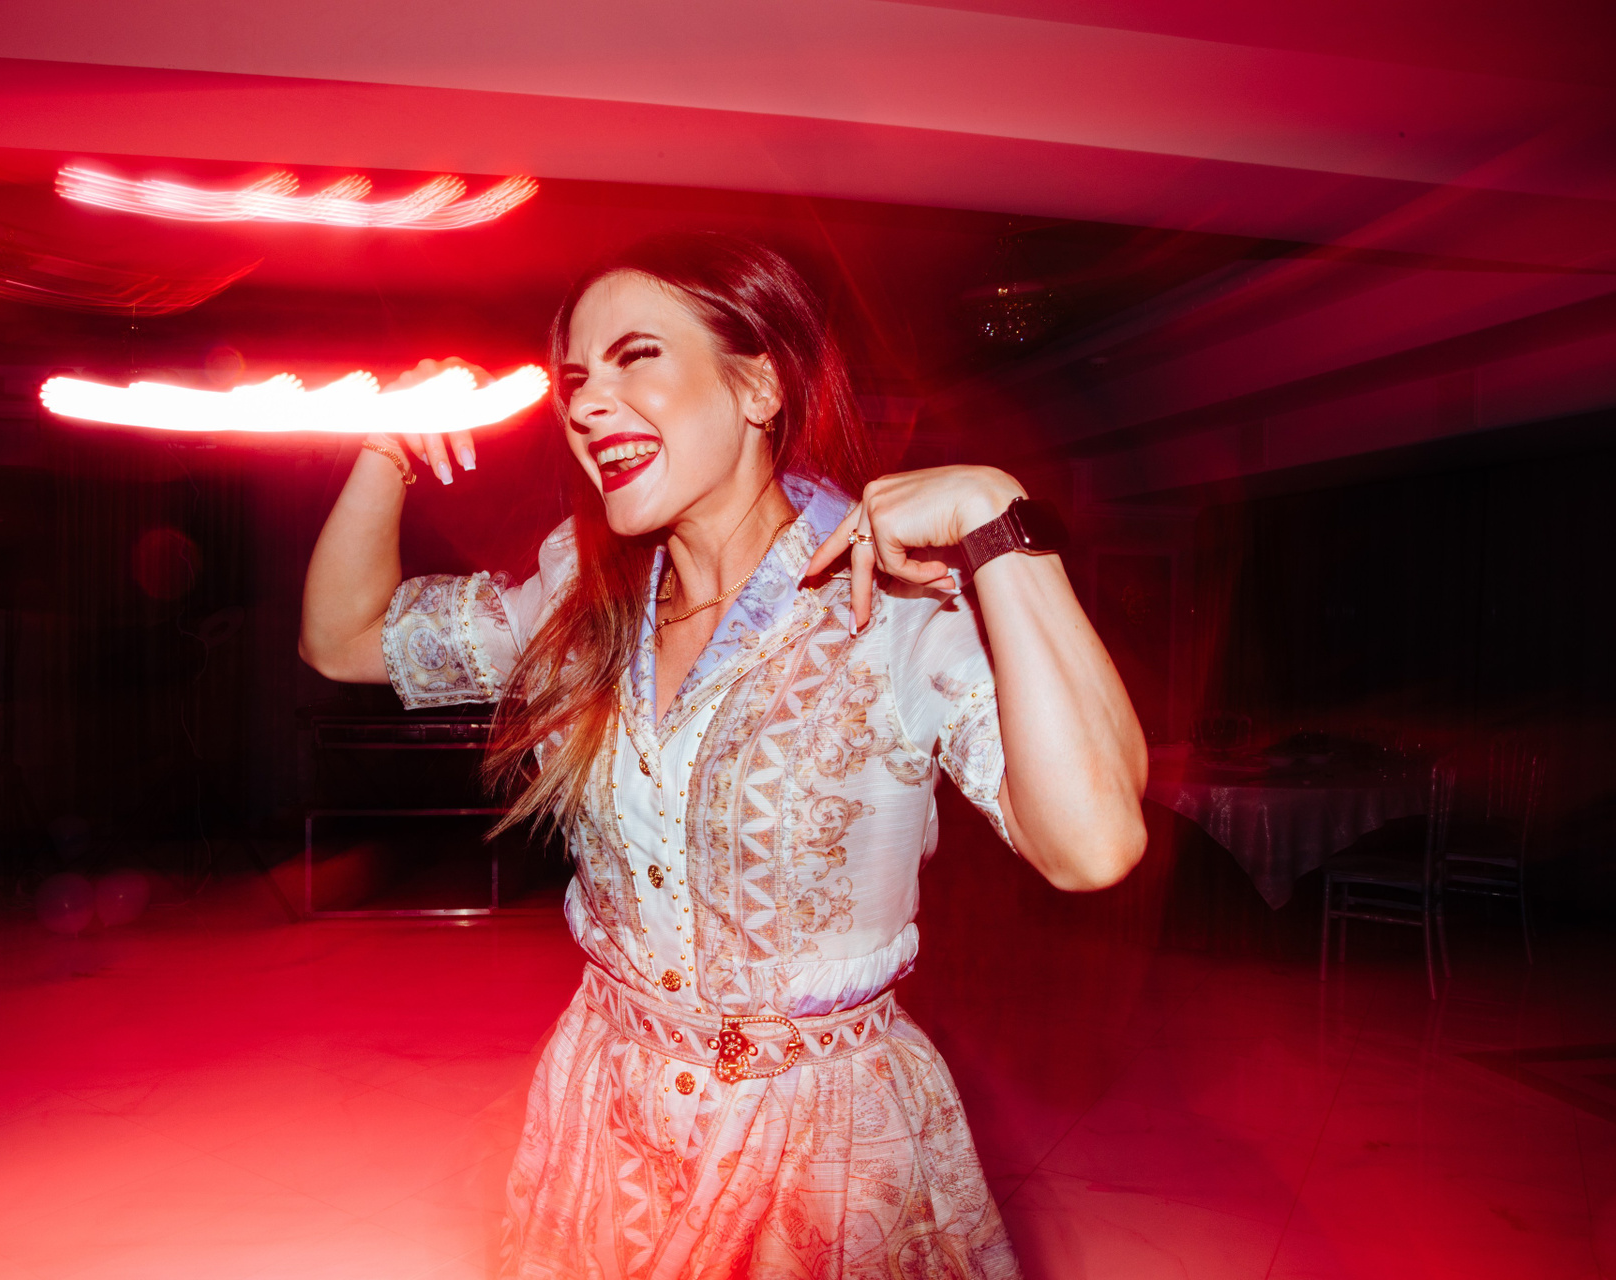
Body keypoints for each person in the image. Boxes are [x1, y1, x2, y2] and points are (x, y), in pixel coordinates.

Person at [299, 231, 1147, 1279]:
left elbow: (1093, 844)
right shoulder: (579, 594)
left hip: (818, 1152)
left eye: (636, 356)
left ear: (757, 387)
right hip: (609, 1118)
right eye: (575, 378)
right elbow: (344, 638)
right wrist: (385, 449)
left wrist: (995, 525)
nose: (587, 403)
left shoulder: (891, 601)